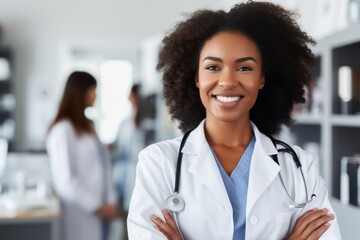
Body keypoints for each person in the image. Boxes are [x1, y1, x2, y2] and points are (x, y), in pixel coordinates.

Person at [127, 1, 342, 239]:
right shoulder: (158, 164)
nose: (228, 81)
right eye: (213, 67)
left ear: (261, 78)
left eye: (244, 68)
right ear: (196, 77)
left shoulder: (300, 167)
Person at [46, 71, 118, 240]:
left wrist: (110, 202)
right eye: (93, 90)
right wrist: (98, 206)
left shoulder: (88, 127)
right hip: (81, 213)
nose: (96, 95)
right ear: (80, 92)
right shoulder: (62, 130)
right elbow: (66, 181)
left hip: (101, 211)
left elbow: (102, 167)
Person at [112, 83, 144, 239]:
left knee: (134, 218)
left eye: (131, 94)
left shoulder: (144, 123)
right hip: (122, 178)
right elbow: (118, 146)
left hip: (135, 176)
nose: (129, 98)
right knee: (123, 219)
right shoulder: (126, 121)